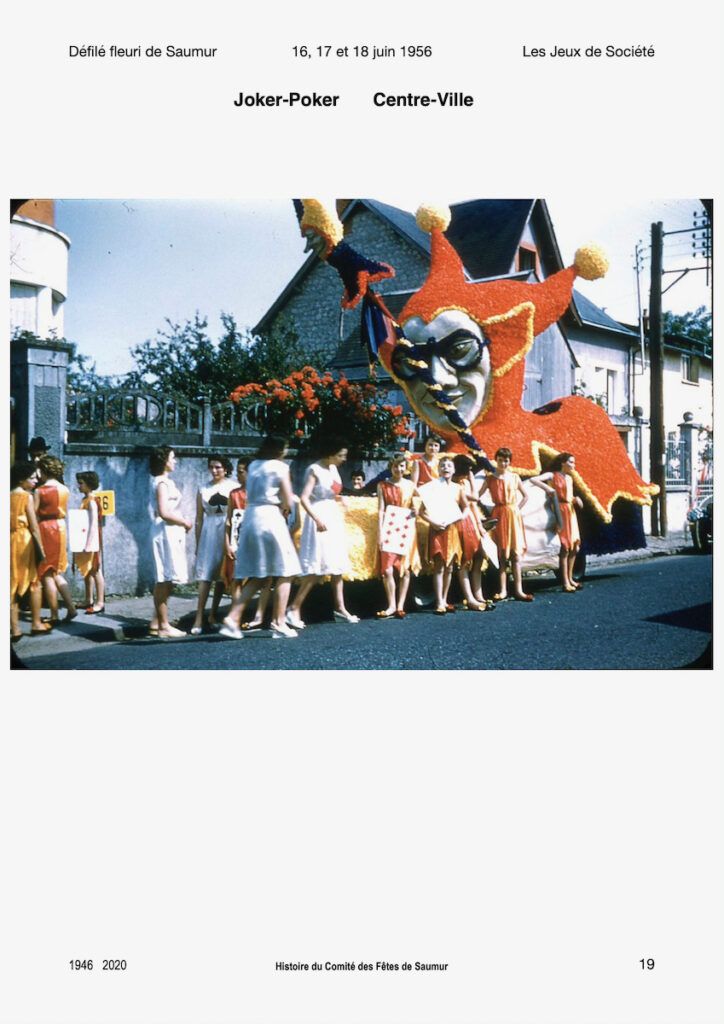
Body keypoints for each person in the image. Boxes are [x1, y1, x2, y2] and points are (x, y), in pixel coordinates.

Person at [220, 435, 301, 639]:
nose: (286, 452)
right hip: (270, 518)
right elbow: (287, 499)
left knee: (260, 574)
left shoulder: (254, 465)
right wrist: (290, 503)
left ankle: (232, 617)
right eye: (284, 448)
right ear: (278, 450)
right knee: (287, 570)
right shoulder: (280, 467)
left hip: (251, 517)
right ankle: (279, 622)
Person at [287, 438, 359, 627]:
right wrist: (317, 519)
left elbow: (329, 492)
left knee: (336, 566)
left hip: (333, 517)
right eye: (341, 455)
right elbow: (304, 497)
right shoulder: (314, 469)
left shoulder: (333, 468)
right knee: (317, 566)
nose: (344, 459)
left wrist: (339, 498)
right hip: (319, 518)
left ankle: (340, 608)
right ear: (330, 454)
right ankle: (293, 609)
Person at [221, 458, 272, 630]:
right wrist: (227, 544)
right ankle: (237, 616)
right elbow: (228, 521)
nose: (238, 474)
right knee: (237, 578)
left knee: (264, 578)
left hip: (257, 539)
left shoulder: (260, 493)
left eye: (241, 471)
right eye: (237, 471)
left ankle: (259, 615)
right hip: (238, 541)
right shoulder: (234, 494)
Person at [477, 447, 532, 602]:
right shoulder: (490, 478)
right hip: (499, 514)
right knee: (502, 554)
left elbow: (526, 496)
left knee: (515, 554)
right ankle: (503, 590)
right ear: (496, 460)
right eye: (500, 460)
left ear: (510, 461)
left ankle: (519, 590)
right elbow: (477, 496)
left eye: (506, 460)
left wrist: (517, 510)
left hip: (513, 515)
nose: (503, 463)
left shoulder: (514, 477)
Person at [149, 446, 193, 638]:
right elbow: (164, 512)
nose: (175, 461)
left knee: (170, 578)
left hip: (172, 533)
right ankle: (164, 626)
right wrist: (184, 521)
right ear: (164, 460)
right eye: (172, 458)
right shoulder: (161, 483)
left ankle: (156, 621)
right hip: (165, 532)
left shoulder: (166, 481)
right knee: (164, 578)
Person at [417, 454, 469, 614]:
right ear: (438, 469)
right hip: (438, 529)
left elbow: (465, 507)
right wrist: (433, 522)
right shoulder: (431, 487)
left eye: (449, 466)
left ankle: (445, 599)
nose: (446, 468)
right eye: (443, 466)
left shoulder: (457, 488)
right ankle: (439, 601)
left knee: (450, 567)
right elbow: (421, 512)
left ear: (454, 470)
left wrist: (461, 516)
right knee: (439, 567)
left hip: (452, 528)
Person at [191, 454, 237, 634]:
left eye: (218, 467)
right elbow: (199, 518)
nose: (214, 470)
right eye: (211, 467)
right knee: (205, 575)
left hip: (226, 531)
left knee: (222, 574)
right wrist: (198, 542)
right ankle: (198, 618)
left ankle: (213, 615)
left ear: (225, 469)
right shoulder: (203, 488)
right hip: (209, 532)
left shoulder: (233, 488)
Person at [530, 452, 583, 592]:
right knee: (565, 547)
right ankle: (565, 582)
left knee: (574, 547)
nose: (573, 465)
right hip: (559, 510)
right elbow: (534, 480)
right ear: (563, 463)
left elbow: (569, 497)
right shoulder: (552, 475)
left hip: (570, 511)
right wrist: (547, 488)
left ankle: (570, 578)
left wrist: (576, 500)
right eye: (571, 462)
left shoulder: (570, 479)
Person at [376, 453, 420, 619]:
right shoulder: (383, 485)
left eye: (401, 466)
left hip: (406, 527)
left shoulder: (410, 485)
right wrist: (380, 532)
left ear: (406, 467)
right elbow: (380, 509)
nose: (398, 469)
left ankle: (400, 605)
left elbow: (419, 503)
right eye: (395, 466)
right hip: (390, 526)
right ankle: (391, 604)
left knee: (405, 569)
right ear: (391, 467)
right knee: (387, 569)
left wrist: (416, 509)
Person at [34, 455, 77, 624]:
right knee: (56, 571)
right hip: (60, 527)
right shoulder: (64, 489)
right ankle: (71, 608)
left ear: (44, 471)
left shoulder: (40, 490)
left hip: (46, 528)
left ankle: (53, 615)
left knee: (46, 573)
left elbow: (34, 513)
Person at [10, 461, 49, 639]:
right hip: (24, 540)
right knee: (34, 581)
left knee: (10, 584)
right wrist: (41, 549)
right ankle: (36, 623)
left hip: (9, 539)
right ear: (21, 480)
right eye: (32, 478)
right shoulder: (27, 497)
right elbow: (34, 526)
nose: (36, 481)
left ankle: (15, 628)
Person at [453, 454, 494, 611]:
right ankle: (469, 598)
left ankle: (479, 595)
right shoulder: (456, 485)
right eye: (468, 470)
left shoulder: (463, 482)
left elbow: (473, 506)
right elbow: (475, 498)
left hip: (471, 520)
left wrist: (479, 525)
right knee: (464, 560)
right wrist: (471, 480)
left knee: (478, 557)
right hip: (460, 522)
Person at [75, 471, 105, 613]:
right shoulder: (85, 500)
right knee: (88, 570)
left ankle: (100, 602)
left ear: (89, 484)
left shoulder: (92, 501)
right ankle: (89, 599)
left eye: (81, 483)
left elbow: (93, 524)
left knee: (95, 570)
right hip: (85, 539)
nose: (78, 486)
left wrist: (89, 544)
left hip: (92, 540)